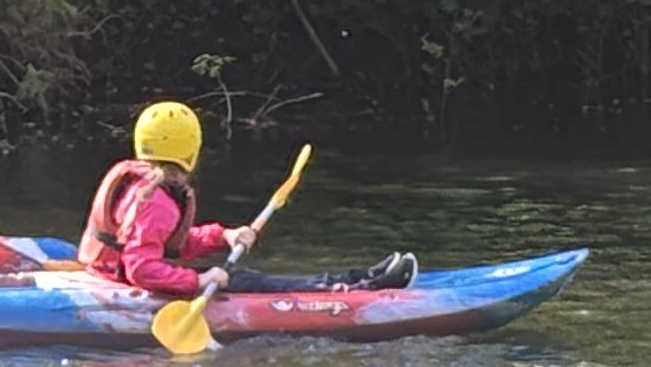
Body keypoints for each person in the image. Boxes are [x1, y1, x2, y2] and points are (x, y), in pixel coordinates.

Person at [79, 102, 413, 299]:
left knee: (243, 276)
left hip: (110, 272)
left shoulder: (145, 187)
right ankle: (360, 289)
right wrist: (199, 280)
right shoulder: (156, 200)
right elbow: (141, 268)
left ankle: (357, 277)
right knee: (247, 281)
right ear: (192, 148)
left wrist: (223, 236)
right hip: (124, 282)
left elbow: (167, 244)